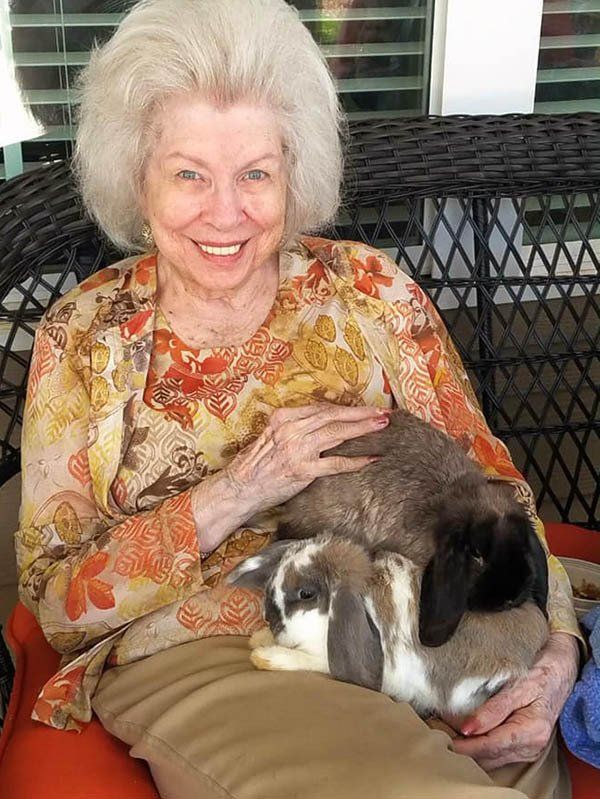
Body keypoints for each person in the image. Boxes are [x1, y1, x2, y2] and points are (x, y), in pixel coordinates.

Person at [15, 1, 582, 797]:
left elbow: (499, 497)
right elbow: (58, 603)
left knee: (516, 766)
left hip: (436, 617)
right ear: (136, 179)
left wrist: (559, 651)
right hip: (234, 639)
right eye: (189, 174)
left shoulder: (372, 292)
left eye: (255, 173)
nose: (225, 213)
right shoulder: (84, 338)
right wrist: (241, 487)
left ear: (294, 173)